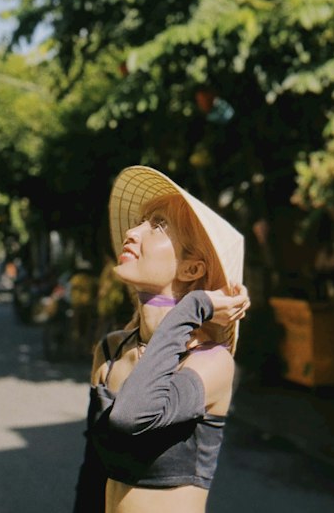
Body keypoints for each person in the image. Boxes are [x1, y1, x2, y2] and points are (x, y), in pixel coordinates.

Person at [73, 166, 250, 512]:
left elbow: (132, 415)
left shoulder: (211, 362)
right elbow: (93, 469)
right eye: (141, 221)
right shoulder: (111, 351)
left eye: (158, 225)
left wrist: (194, 307)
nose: (134, 231)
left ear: (191, 270)